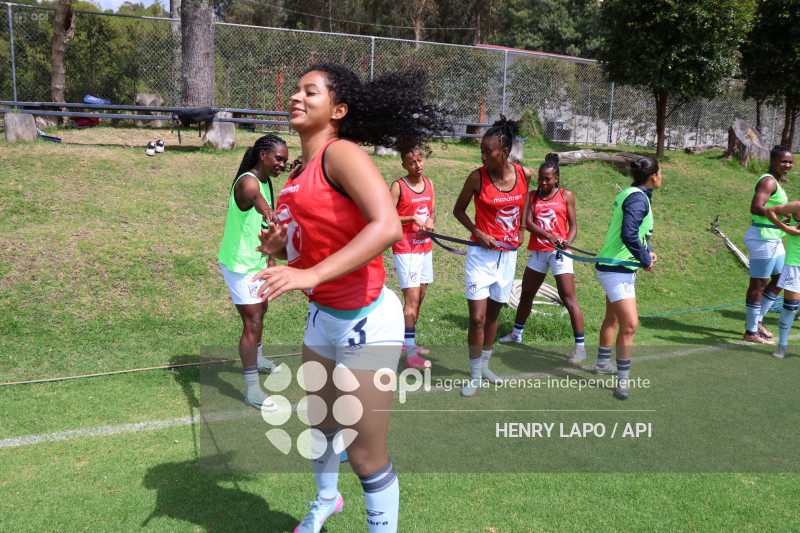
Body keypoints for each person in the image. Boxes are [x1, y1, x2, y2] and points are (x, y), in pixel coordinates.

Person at [252, 63, 447, 533]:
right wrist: (284, 249)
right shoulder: (299, 174)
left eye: (310, 92)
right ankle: (326, 500)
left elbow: (386, 226)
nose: (297, 97)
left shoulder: (341, 155)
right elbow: (314, 245)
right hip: (323, 319)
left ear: (337, 110)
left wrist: (309, 272)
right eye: (296, 91)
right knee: (321, 425)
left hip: (368, 319)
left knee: (363, 453)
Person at [452, 117, 532, 398]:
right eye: (482, 152)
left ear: (505, 152)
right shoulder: (477, 177)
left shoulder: (525, 174)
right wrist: (478, 232)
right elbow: (458, 210)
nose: (483, 157)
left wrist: (521, 228)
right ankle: (474, 375)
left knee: (494, 314)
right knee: (476, 318)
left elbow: (525, 203)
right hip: (480, 256)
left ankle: (485, 367)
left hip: (507, 258)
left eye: (489, 152)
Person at [217, 134, 288, 410]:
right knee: (253, 321)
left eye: (284, 159)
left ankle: (257, 359)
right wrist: (267, 210)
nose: (282, 163)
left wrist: (270, 261)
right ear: (263, 156)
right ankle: (252, 390)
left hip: (256, 261)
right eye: (278, 158)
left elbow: (259, 228)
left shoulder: (267, 181)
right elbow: (253, 196)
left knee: (262, 309)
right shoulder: (248, 181)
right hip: (238, 264)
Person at [498, 161, 586, 363]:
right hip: (538, 252)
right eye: (540, 178)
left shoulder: (566, 195)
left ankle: (580, 347)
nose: (543, 182)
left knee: (568, 297)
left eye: (548, 179)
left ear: (557, 178)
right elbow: (527, 223)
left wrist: (566, 243)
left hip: (559, 254)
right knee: (527, 294)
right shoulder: (532, 196)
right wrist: (549, 236)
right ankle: (516, 334)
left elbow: (573, 227)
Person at [594, 156, 661, 400]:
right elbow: (628, 234)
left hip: (616, 266)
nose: (661, 176)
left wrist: (648, 250)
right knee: (630, 324)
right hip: (616, 269)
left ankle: (602, 364)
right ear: (653, 176)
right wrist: (644, 260)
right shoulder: (637, 198)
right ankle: (623, 381)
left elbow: (638, 232)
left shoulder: (634, 194)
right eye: (660, 172)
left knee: (613, 317)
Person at [390, 146, 435, 370]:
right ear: (404, 165)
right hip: (406, 249)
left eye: (420, 160)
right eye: (412, 163)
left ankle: (406, 342)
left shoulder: (429, 184)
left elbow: (432, 211)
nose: (418, 166)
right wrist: (412, 218)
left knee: (422, 294)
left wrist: (431, 221)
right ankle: (410, 354)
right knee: (412, 299)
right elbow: (387, 217)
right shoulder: (398, 186)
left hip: (425, 247)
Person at [743, 146, 793, 344]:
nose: (787, 165)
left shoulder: (777, 181)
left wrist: (783, 215)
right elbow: (756, 207)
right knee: (758, 285)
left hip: (773, 238)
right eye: (783, 161)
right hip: (763, 237)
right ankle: (751, 332)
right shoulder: (768, 181)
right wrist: (781, 212)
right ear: (772, 161)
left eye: (790, 162)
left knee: (781, 278)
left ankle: (759, 321)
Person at [765, 199, 800, 358]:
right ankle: (782, 346)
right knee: (790, 307)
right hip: (795, 264)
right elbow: (770, 210)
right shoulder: (798, 206)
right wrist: (786, 228)